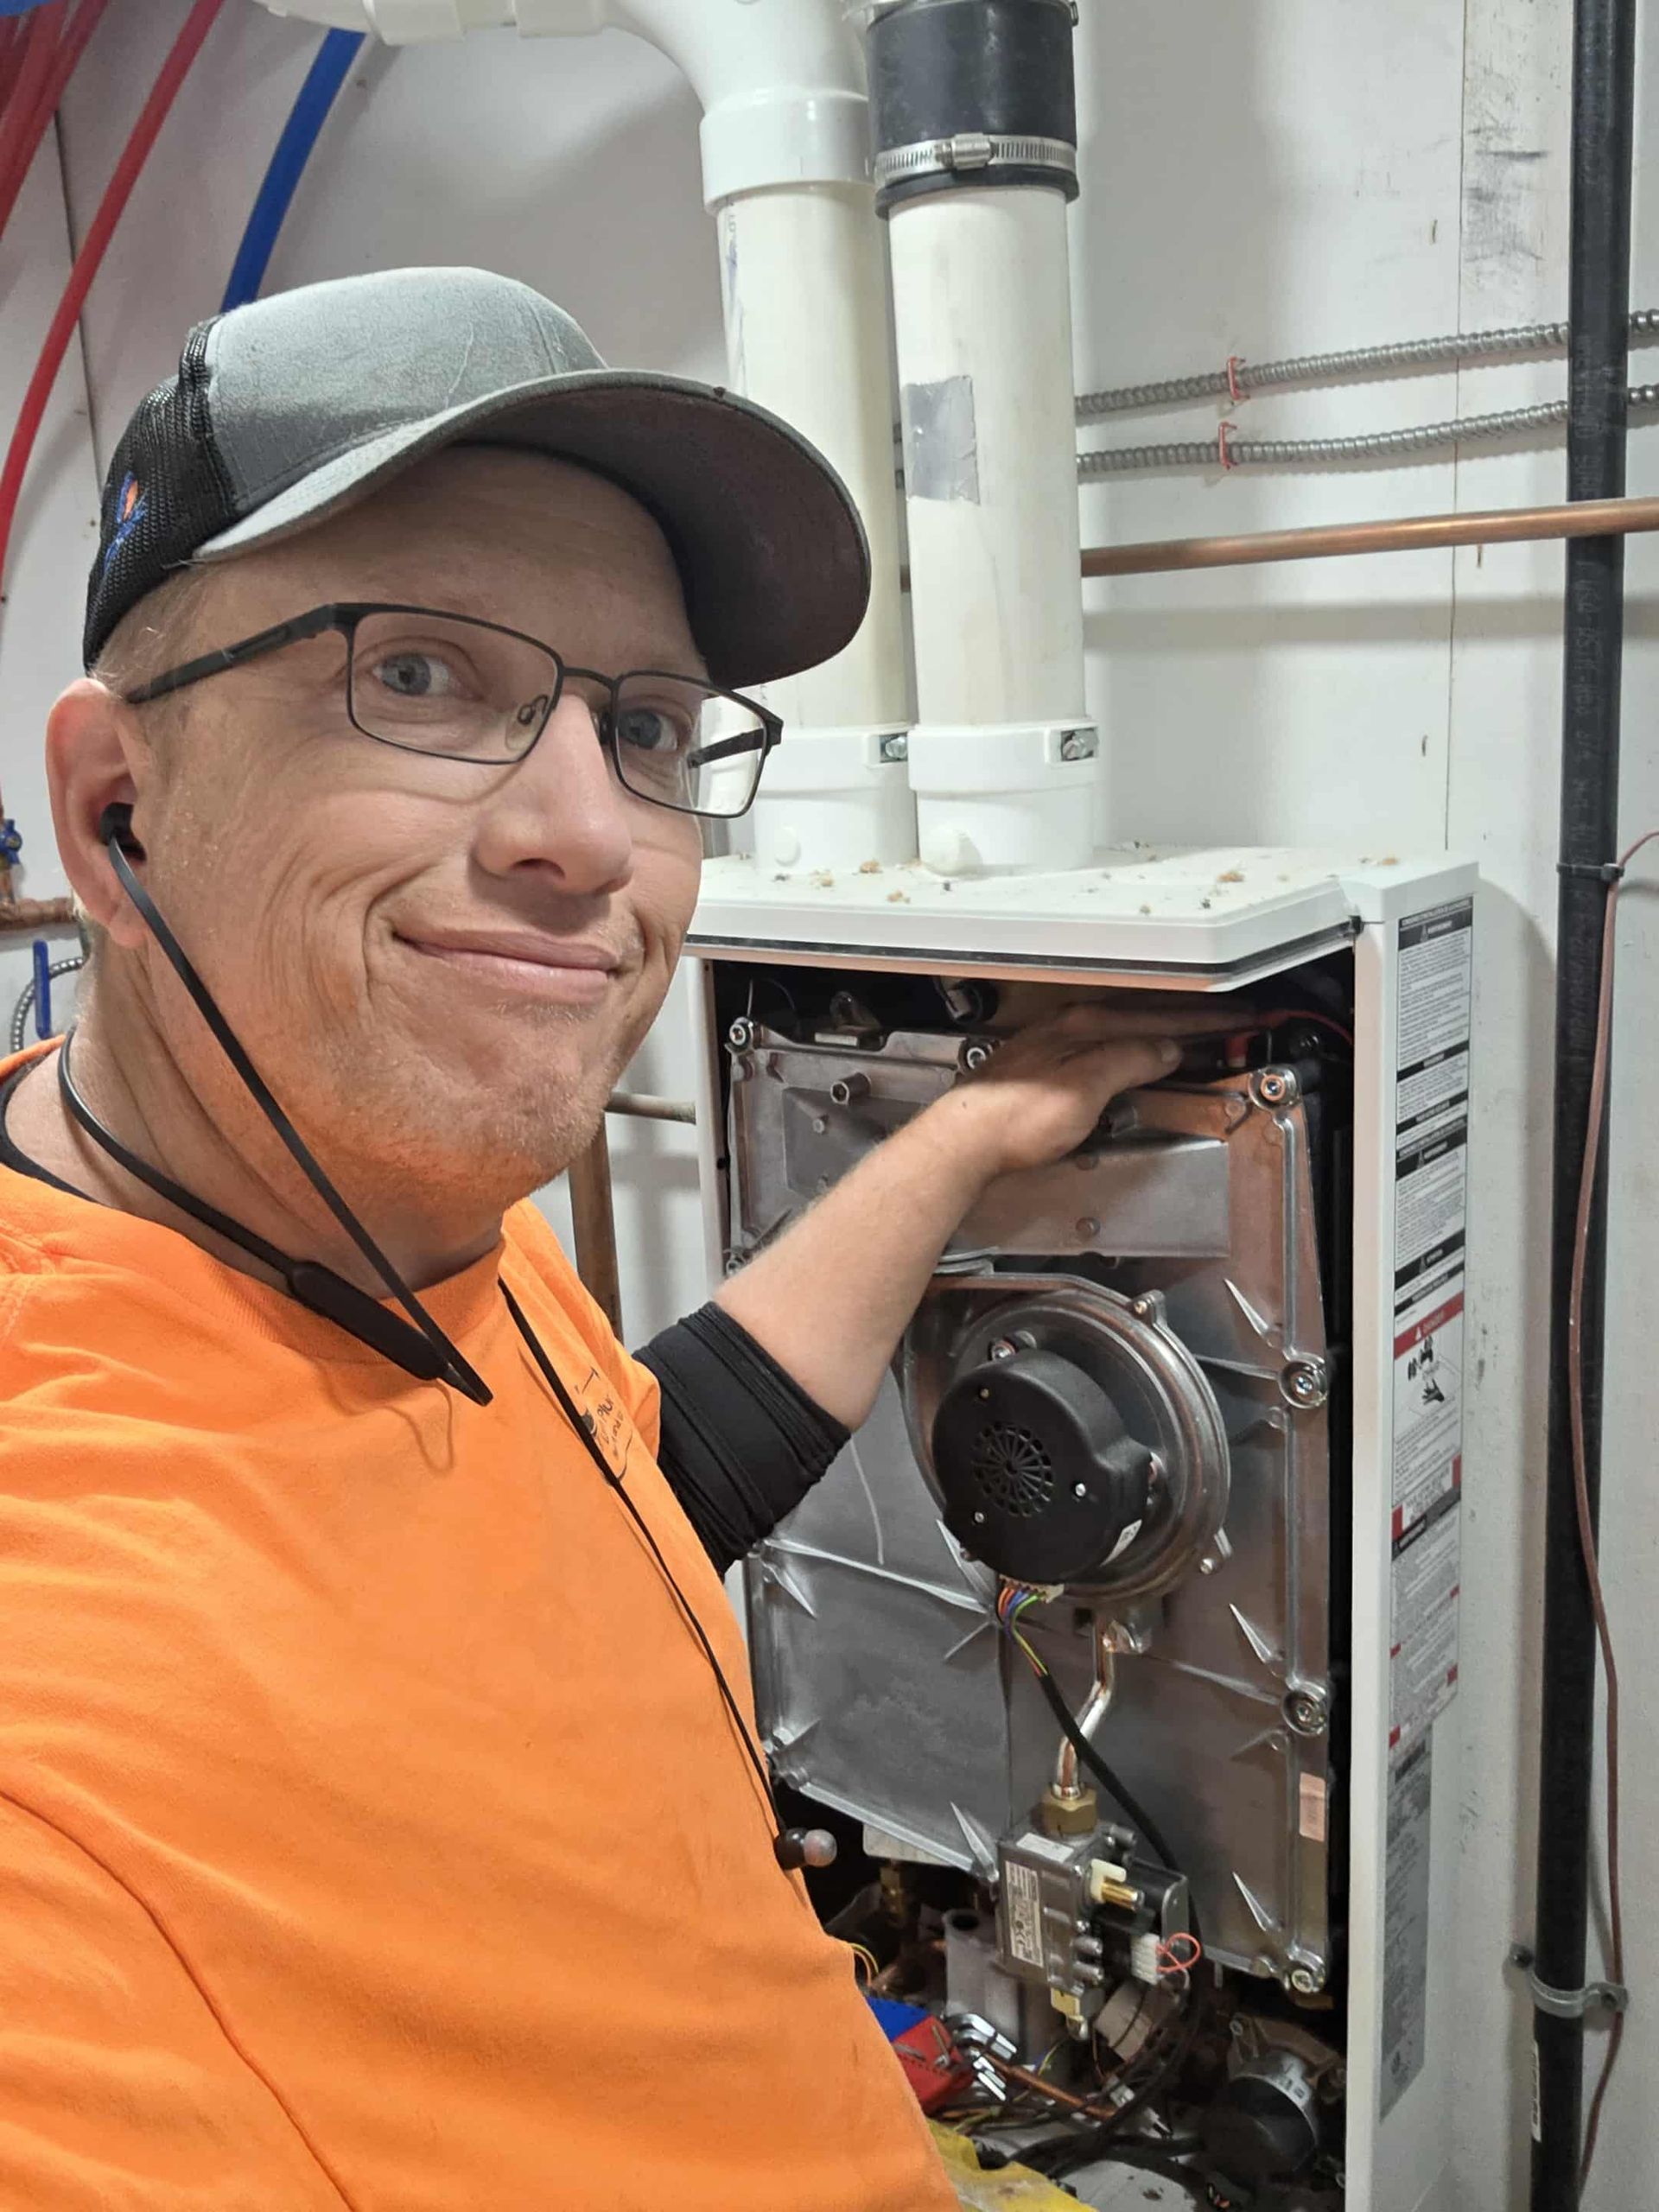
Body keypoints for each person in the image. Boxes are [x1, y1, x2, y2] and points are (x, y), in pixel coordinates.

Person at [0, 266, 1188, 2210]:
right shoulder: (54, 1699)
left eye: (644, 721)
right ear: (114, 803)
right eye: (418, 676)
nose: (588, 832)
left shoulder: (382, 1212)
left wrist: (973, 1131)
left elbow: (626, 1471)